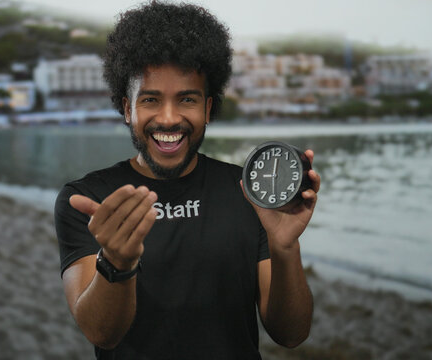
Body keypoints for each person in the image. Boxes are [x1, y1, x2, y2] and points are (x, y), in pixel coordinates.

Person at [54, 2, 321, 359]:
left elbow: (290, 334)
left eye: (187, 99)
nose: (168, 118)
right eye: (150, 99)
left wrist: (286, 249)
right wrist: (116, 262)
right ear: (127, 108)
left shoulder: (248, 194)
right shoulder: (88, 199)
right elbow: (102, 332)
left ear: (208, 109)